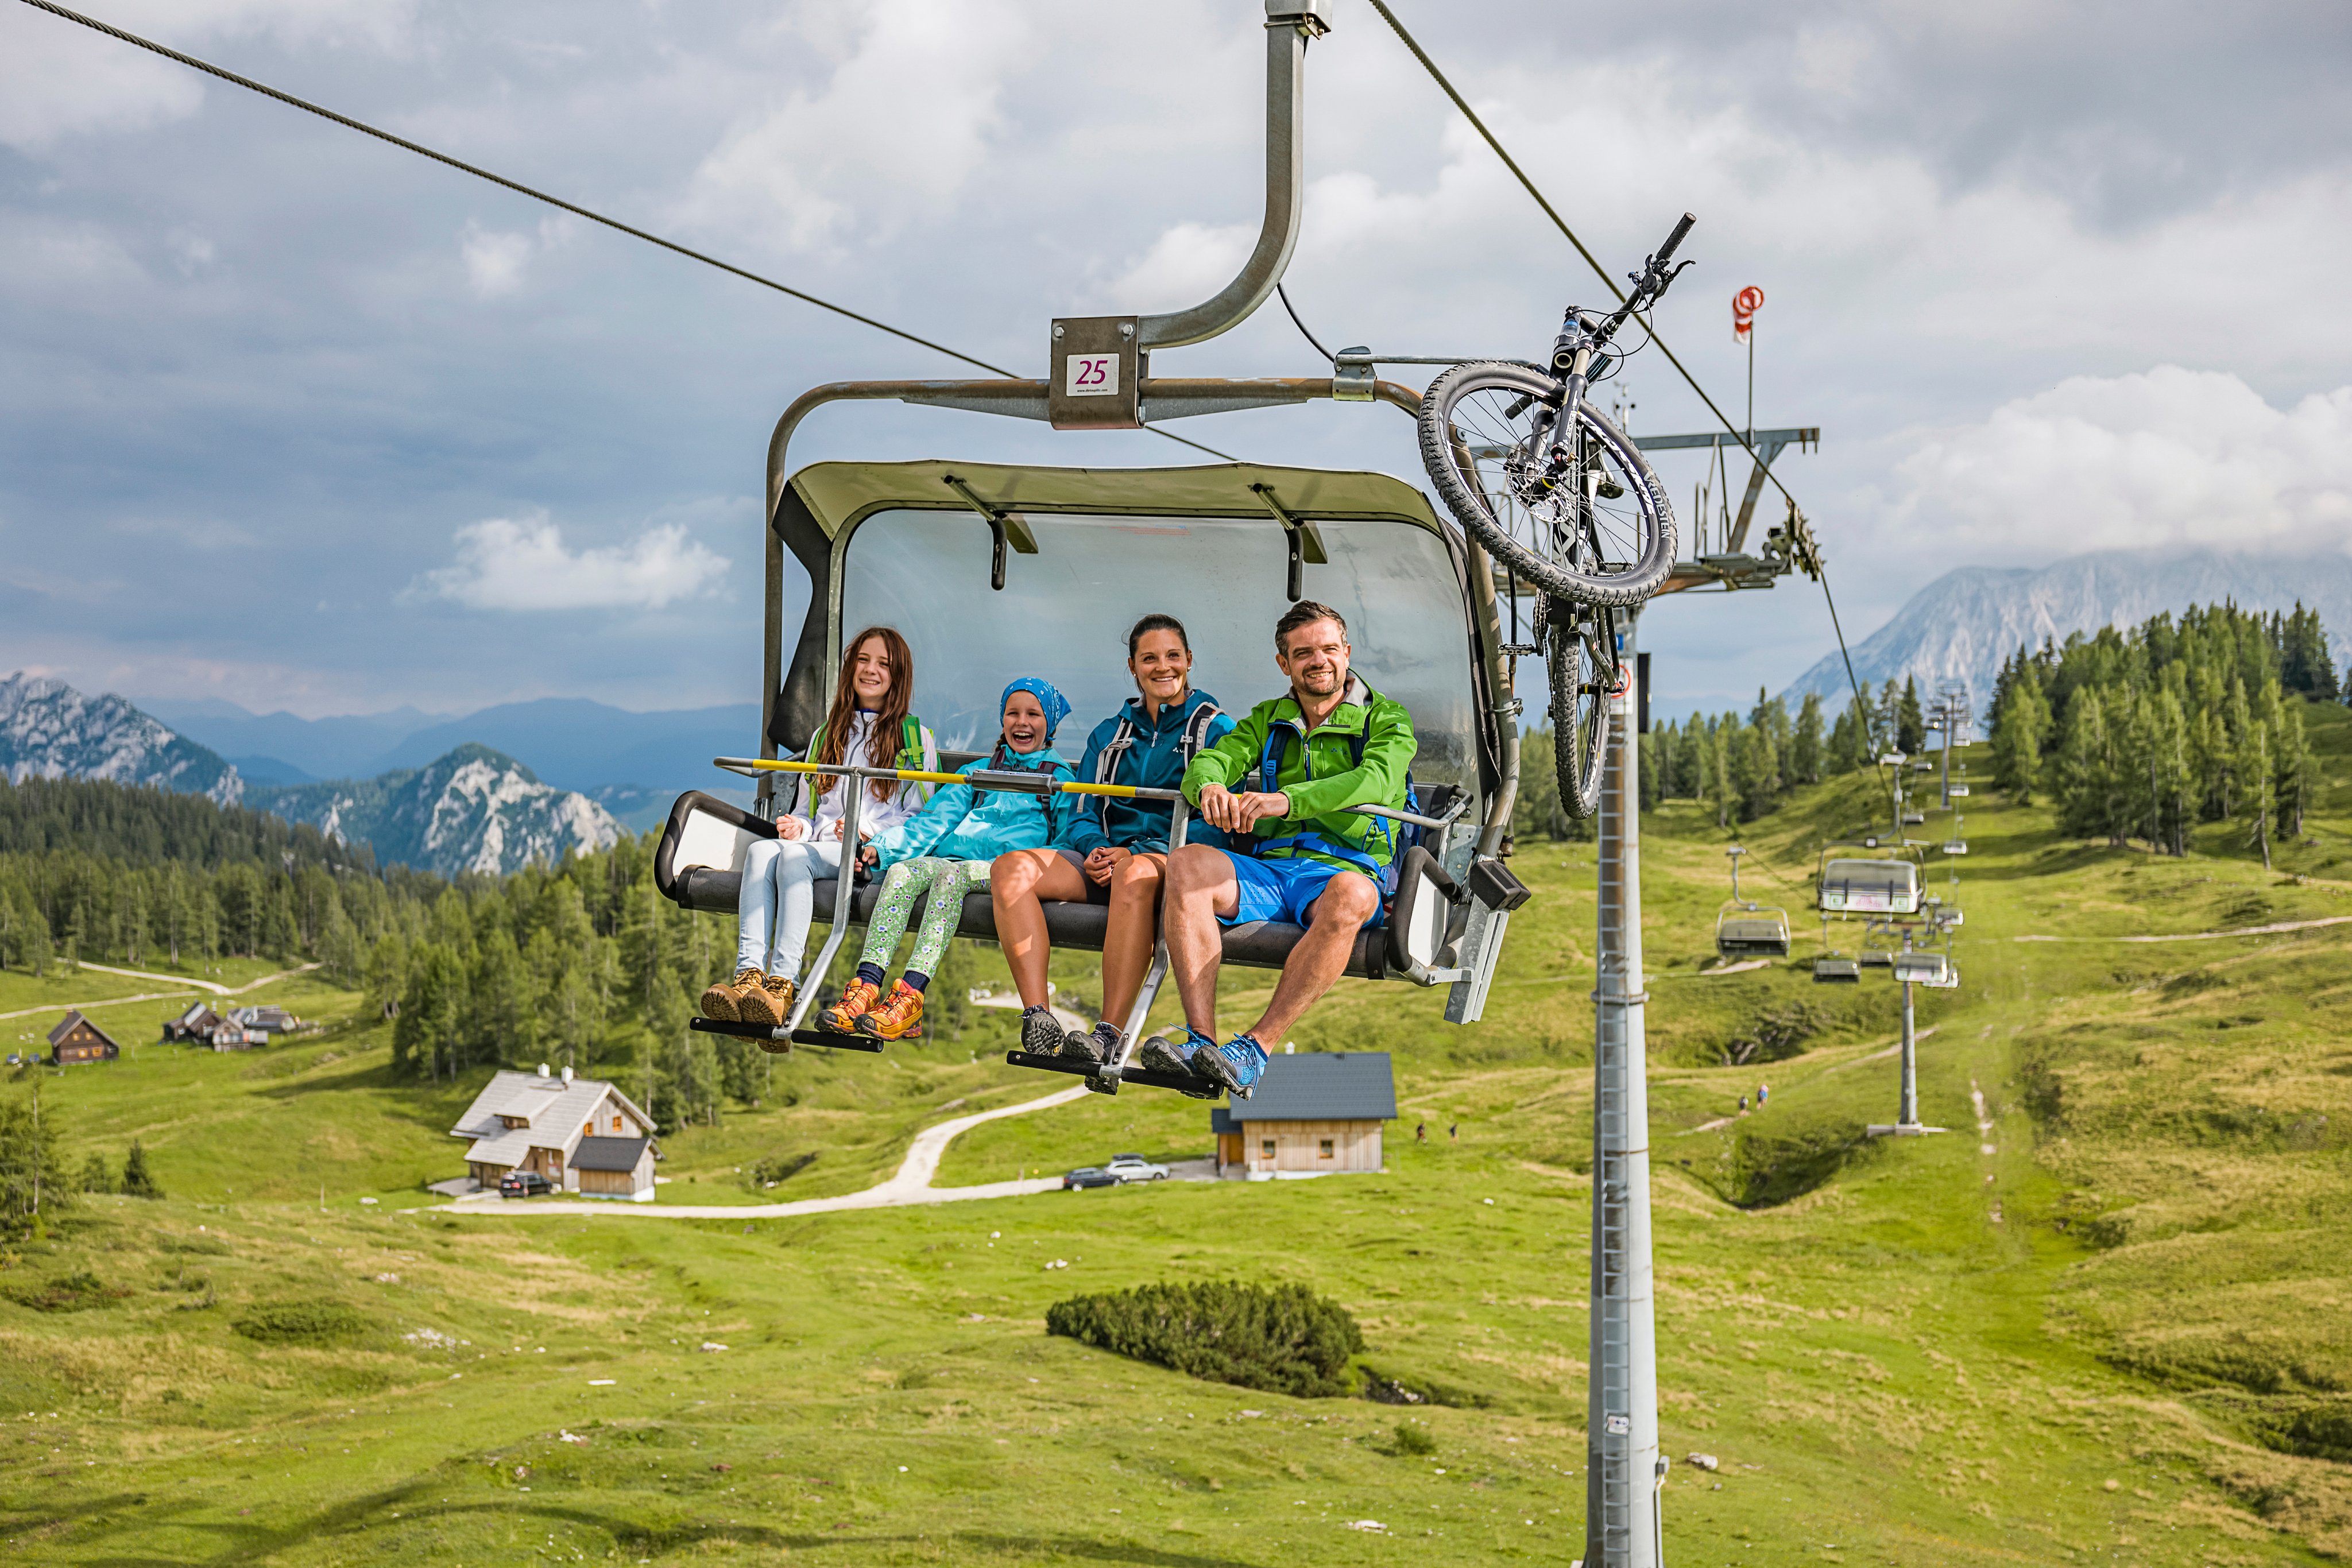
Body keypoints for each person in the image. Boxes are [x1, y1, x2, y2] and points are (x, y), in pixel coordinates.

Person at [1142, 600, 1417, 1097]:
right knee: (1186, 863)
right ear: (1283, 663)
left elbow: (1375, 780)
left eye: (1329, 649)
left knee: (1353, 895)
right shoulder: (1268, 719)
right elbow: (1211, 761)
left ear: (1347, 652)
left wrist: (1286, 801)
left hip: (1344, 869)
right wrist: (1210, 786)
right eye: (1304, 653)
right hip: (1271, 871)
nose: (1319, 661)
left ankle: (1254, 1049)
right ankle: (1201, 1043)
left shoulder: (1386, 719)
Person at [990, 613, 1233, 1064]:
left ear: (1189, 660)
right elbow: (1082, 811)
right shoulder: (1109, 735)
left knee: (1134, 872)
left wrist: (1135, 852)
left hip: (1163, 861)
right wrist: (1094, 849)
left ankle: (1109, 1033)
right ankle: (1039, 1015)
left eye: (1173, 656)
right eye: (1150, 658)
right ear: (1133, 666)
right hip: (1107, 861)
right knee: (1010, 869)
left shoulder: (1216, 732)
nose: (1163, 667)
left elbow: (1215, 826)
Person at [701, 627, 937, 1028]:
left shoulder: (914, 739)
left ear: (898, 675)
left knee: (795, 859)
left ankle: (783, 984)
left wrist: (866, 831)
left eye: (883, 664)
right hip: (821, 847)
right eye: (863, 660)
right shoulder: (826, 735)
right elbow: (813, 812)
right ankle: (749, 976)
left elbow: (920, 817)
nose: (871, 670)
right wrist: (800, 826)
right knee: (762, 850)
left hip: (868, 854)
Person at [817, 679, 1076, 1041]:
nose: (1022, 722)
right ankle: (867, 985)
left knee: (951, 877)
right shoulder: (978, 773)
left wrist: (1039, 878)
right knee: (903, 873)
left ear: (1049, 724)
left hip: (1006, 869)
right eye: (1013, 713)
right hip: (953, 858)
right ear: (1002, 720)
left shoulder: (1059, 781)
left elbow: (1064, 841)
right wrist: (882, 848)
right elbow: (935, 822)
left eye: (1033, 715)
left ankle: (911, 995)